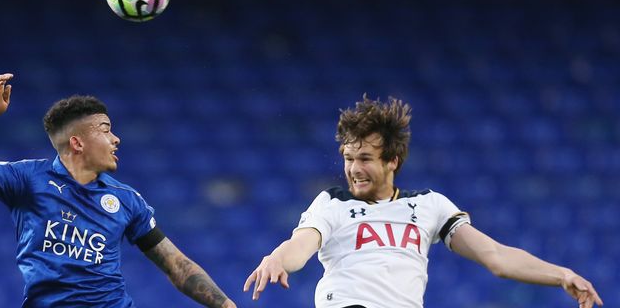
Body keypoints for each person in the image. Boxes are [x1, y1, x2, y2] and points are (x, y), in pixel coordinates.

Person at [243, 95, 603, 308]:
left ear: (392, 161)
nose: (354, 169)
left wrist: (562, 275)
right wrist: (277, 260)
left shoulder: (430, 206)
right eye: (349, 158)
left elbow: (496, 257)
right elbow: (299, 246)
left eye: (365, 158)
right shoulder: (331, 203)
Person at [0, 73, 237, 308]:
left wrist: (225, 305)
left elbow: (176, 264)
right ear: (77, 143)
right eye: (105, 129)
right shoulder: (28, 179)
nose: (116, 138)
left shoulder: (126, 200)